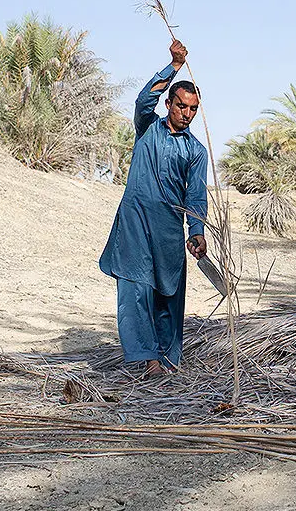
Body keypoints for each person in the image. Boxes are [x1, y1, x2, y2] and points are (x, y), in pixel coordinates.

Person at [98, 39, 208, 378]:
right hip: (134, 223)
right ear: (169, 103)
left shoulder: (197, 151)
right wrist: (173, 65)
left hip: (168, 229)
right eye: (181, 106)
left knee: (167, 294)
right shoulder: (148, 128)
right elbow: (142, 99)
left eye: (192, 109)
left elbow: (197, 196)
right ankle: (147, 359)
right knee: (135, 288)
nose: (186, 114)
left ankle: (165, 356)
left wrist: (198, 232)